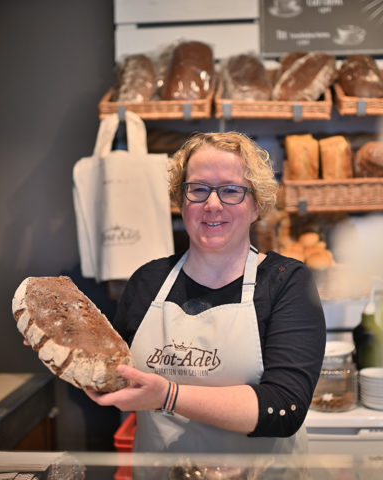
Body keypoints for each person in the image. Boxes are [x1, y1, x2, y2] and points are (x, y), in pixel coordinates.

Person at [88, 131, 326, 459]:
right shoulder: (148, 281)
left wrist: (169, 396)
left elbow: (284, 410)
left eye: (231, 191)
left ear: (256, 205)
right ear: (181, 200)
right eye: (198, 189)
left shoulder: (287, 283)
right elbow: (114, 375)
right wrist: (67, 345)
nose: (212, 204)